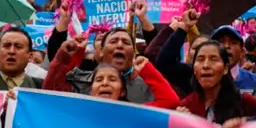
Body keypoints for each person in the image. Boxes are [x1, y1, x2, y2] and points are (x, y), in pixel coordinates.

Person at [47, 36, 179, 109]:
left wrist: (148, 71)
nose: (105, 83)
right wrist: (63, 57)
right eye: (98, 80)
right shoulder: (80, 110)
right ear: (90, 88)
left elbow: (171, 101)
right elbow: (50, 93)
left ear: (123, 90)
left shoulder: (133, 113)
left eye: (112, 79)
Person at [177, 41, 256, 123]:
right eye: (200, 60)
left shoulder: (246, 102)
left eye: (214, 59)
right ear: (194, 69)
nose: (206, 65)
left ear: (225, 69)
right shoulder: (186, 106)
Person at [210, 26, 256, 93]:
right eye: (221, 41)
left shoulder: (254, 81)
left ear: (242, 51)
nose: (226, 46)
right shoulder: (202, 79)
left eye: (233, 42)